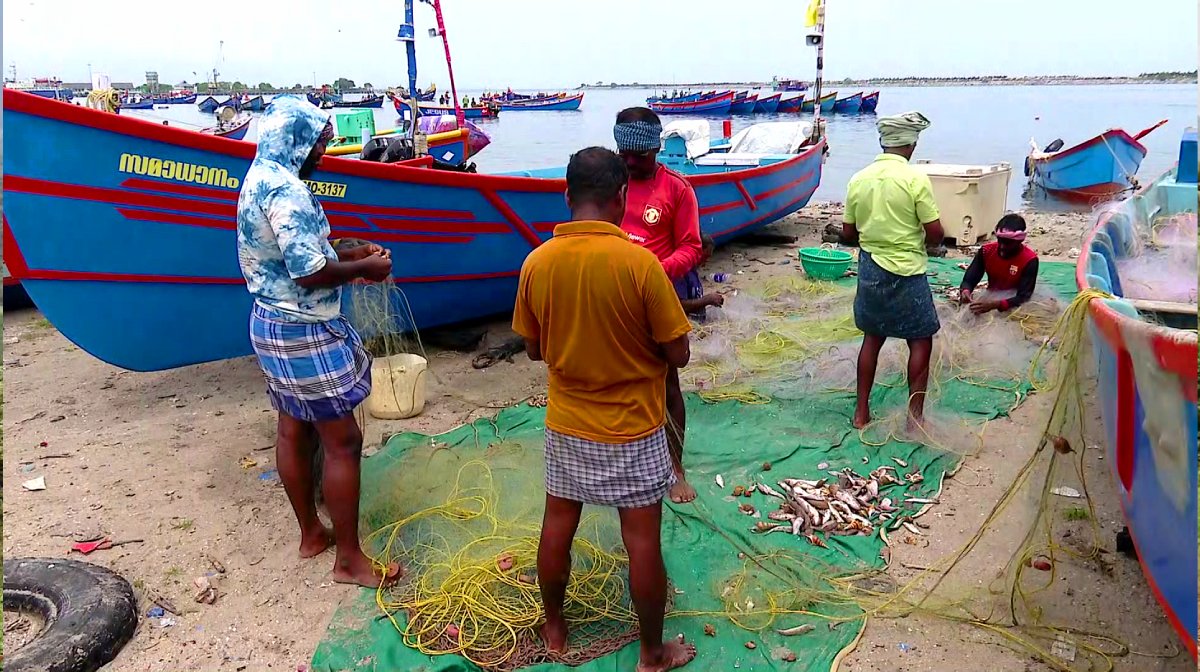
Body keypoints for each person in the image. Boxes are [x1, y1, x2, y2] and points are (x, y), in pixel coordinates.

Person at [513, 147, 698, 672]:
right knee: (641, 542)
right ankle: (651, 654)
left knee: (557, 527)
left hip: (567, 424)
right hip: (634, 430)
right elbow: (678, 352)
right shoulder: (641, 266)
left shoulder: (537, 262)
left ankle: (554, 629)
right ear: (621, 199)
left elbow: (533, 348)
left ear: (567, 196)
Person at [236, 96, 397, 588]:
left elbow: (297, 252)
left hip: (269, 322)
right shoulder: (287, 191)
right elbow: (311, 273)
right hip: (303, 331)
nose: (324, 152)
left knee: (292, 428)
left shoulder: (258, 176)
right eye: (320, 143)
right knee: (343, 441)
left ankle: (311, 533)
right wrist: (366, 267)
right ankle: (349, 560)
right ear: (297, 141)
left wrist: (348, 248)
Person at [614, 106, 703, 505]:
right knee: (616, 379)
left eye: (640, 156)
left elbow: (692, 247)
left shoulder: (677, 190)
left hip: (655, 297)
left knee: (668, 382)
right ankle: (619, 457)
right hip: (612, 296)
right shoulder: (610, 183)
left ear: (656, 149)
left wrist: (655, 273)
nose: (631, 163)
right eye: (624, 155)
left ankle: (675, 466)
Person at [841, 111, 945, 431]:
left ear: (883, 142)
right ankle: (914, 418)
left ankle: (861, 413)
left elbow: (847, 234)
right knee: (920, 340)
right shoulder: (915, 179)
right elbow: (936, 232)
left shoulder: (859, 179)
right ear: (911, 145)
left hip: (872, 268)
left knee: (872, 337)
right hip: (909, 270)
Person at [959, 214, 1040, 314]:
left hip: (1013, 304)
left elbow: (1024, 297)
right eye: (1000, 241)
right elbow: (969, 280)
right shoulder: (986, 251)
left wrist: (996, 305)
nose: (1002, 246)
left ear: (1020, 241)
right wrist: (966, 291)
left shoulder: (1029, 260)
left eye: (1007, 243)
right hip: (991, 298)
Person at [676, 235, 724, 319]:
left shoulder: (693, 272)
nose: (705, 262)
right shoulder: (681, 272)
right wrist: (707, 299)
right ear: (696, 251)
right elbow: (679, 306)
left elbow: (694, 298)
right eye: (705, 257)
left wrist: (711, 300)